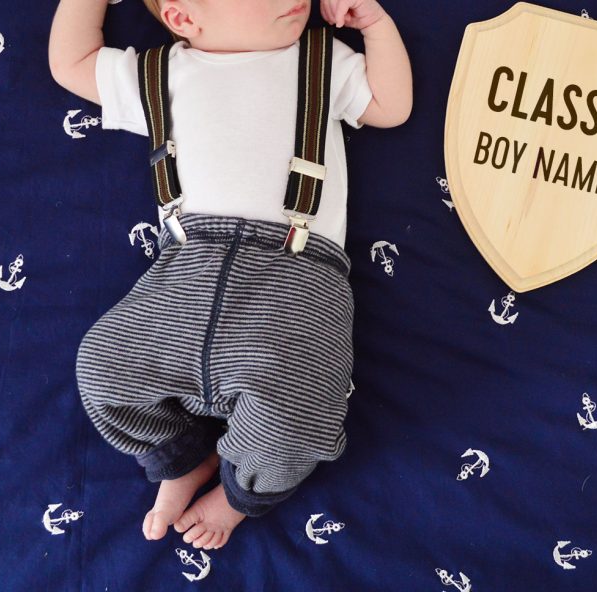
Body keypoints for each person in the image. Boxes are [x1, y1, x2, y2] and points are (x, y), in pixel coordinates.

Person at [48, 0, 412, 552]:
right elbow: (71, 62)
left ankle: (241, 493)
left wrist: (377, 27)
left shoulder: (318, 61)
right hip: (184, 269)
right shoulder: (158, 72)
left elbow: (391, 106)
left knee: (298, 412)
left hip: (296, 278)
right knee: (103, 369)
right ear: (183, 19)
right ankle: (185, 456)